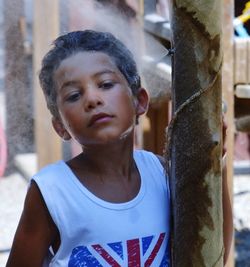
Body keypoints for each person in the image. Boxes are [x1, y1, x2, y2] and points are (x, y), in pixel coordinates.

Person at [6, 30, 232, 267]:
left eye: (105, 84)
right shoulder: (52, 192)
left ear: (139, 101)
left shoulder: (162, 174)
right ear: (61, 126)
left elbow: (214, 253)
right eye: (74, 95)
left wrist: (216, 159)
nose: (92, 99)